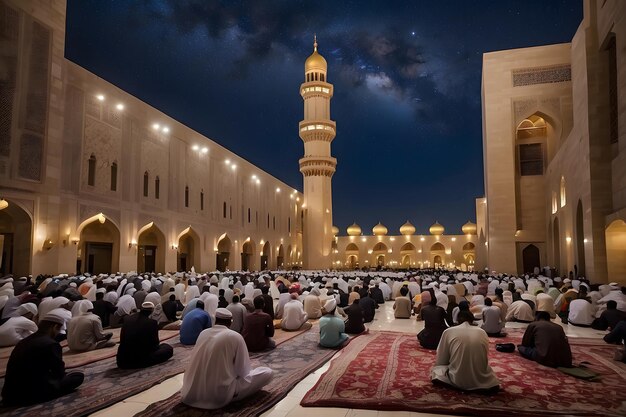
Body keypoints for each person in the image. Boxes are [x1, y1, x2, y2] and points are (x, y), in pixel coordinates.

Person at [181, 308, 273, 409]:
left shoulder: (203, 333)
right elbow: (243, 371)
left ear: (215, 320)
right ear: (231, 322)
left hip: (190, 393)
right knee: (267, 373)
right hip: (219, 396)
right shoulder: (234, 336)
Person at [2, 310, 85, 406]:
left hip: (9, 394)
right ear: (54, 327)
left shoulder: (23, 341)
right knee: (78, 376)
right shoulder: (51, 344)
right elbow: (59, 373)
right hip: (32, 394)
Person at [430, 311, 499, 393]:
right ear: (472, 320)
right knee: (490, 373)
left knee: (436, 370)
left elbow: (441, 359)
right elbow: (484, 358)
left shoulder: (448, 331)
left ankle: (457, 384)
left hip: (457, 378)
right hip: (481, 379)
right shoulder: (482, 332)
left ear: (457, 320)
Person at [116, 302, 174, 369]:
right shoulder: (152, 323)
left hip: (121, 360)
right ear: (152, 310)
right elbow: (155, 345)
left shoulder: (127, 319)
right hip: (137, 361)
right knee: (168, 348)